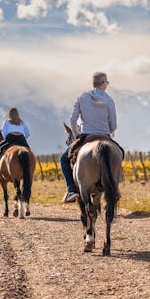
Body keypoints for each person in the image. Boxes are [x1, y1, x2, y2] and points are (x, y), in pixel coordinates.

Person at [61, 71, 117, 202]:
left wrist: (76, 136)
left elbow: (73, 120)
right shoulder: (109, 100)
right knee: (120, 154)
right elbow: (113, 125)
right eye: (107, 82)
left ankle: (71, 189)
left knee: (63, 160)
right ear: (103, 84)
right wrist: (107, 130)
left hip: (86, 136)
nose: (107, 85)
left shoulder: (82, 98)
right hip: (104, 135)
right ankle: (114, 187)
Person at [0, 107, 31, 178]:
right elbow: (27, 134)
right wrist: (21, 137)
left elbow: (4, 133)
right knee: (29, 154)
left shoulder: (7, 122)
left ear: (10, 114)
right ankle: (30, 171)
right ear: (17, 114)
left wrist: (8, 138)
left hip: (10, 138)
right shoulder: (22, 122)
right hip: (21, 138)